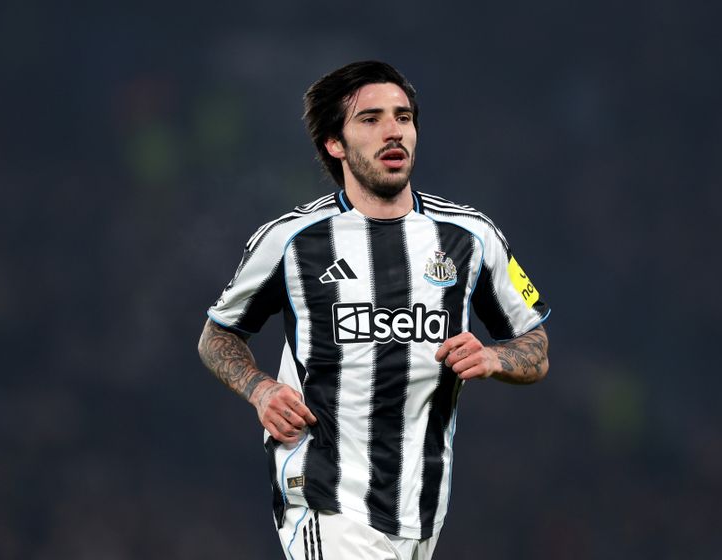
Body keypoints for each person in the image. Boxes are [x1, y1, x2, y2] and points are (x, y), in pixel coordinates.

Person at [198, 60, 550, 560]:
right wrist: (261, 389)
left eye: (403, 117)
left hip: (423, 506)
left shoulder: (472, 237)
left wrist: (495, 359)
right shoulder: (291, 242)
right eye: (371, 119)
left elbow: (535, 345)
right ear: (334, 143)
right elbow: (217, 335)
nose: (393, 131)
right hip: (326, 495)